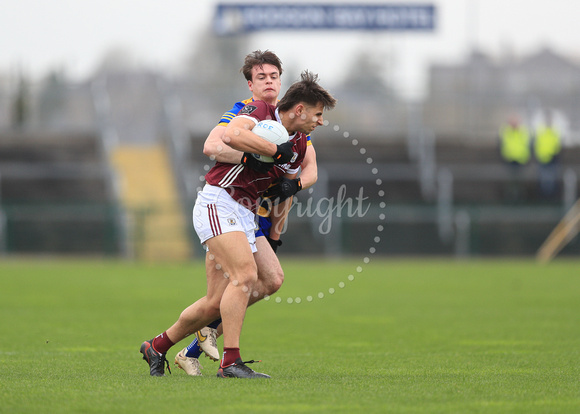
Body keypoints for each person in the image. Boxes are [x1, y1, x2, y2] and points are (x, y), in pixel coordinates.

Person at [140, 70, 337, 378]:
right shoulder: (259, 112)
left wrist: (274, 232)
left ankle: (158, 346)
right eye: (318, 114)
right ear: (299, 110)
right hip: (219, 202)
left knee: (236, 294)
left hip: (245, 214)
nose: (321, 121)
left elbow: (291, 187)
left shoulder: (299, 143)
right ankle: (230, 363)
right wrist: (270, 150)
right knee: (244, 276)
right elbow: (230, 135)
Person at [499, 114, 531, 202]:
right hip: (509, 161)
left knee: (520, 181)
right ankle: (511, 198)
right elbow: (502, 145)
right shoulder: (505, 131)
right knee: (510, 181)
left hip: (521, 161)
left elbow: (527, 145)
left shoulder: (523, 131)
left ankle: (520, 198)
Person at [534, 112, 562, 198]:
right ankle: (545, 198)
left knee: (552, 180)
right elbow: (537, 146)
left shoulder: (555, 132)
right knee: (544, 181)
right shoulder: (540, 132)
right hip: (542, 160)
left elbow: (558, 146)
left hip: (552, 160)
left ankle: (551, 198)